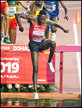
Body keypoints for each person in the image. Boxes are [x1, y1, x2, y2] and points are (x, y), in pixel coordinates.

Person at [15, 10, 69, 99]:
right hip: (34, 45)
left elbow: (55, 24)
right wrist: (20, 25)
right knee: (35, 68)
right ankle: (35, 92)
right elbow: (18, 14)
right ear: (38, 17)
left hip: (42, 43)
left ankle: (49, 61)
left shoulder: (46, 21)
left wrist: (64, 29)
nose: (42, 21)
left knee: (53, 43)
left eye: (44, 19)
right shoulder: (33, 19)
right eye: (41, 19)